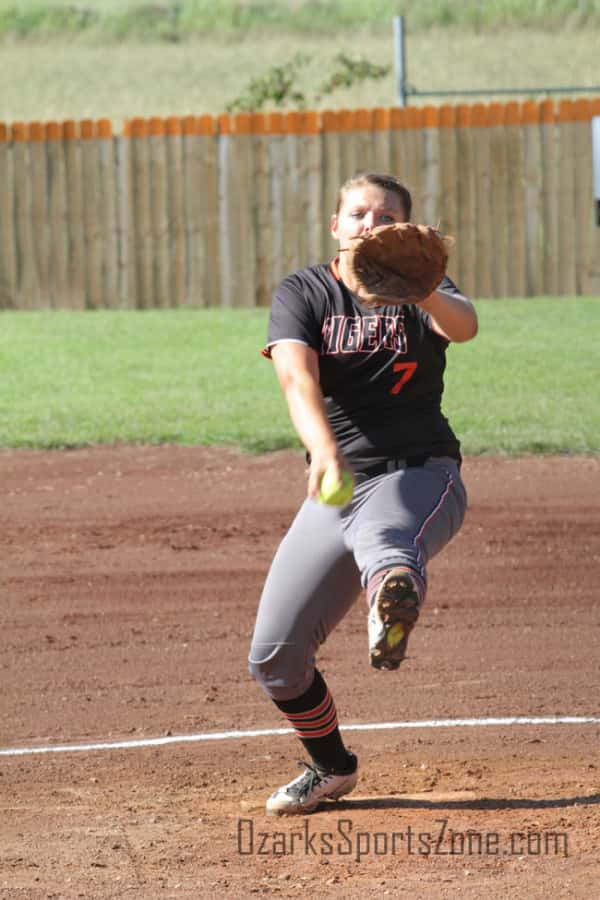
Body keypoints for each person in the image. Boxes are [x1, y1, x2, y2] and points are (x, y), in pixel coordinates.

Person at [248, 172, 478, 816]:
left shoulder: (420, 289)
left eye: (385, 216)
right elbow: (296, 377)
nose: (369, 225)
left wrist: (429, 292)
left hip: (419, 473)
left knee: (385, 539)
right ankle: (331, 767)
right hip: (336, 487)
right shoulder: (305, 291)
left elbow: (465, 328)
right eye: (357, 214)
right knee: (275, 656)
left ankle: (391, 603)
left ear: (408, 230)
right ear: (335, 225)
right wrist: (323, 452)